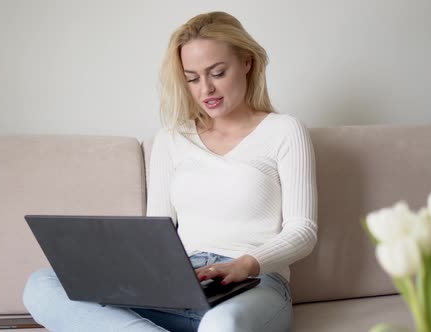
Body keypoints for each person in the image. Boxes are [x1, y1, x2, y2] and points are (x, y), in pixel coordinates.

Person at [23, 11, 317, 332]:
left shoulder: (284, 130)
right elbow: (156, 231)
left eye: (217, 72)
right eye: (192, 78)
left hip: (255, 284)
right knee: (41, 284)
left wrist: (244, 264)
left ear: (247, 62)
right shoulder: (171, 139)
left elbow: (303, 231)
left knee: (223, 324)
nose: (206, 89)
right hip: (179, 284)